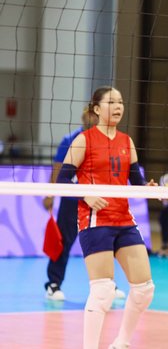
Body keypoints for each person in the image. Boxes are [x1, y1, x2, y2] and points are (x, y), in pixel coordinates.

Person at [57, 86, 156, 349]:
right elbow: (62, 180)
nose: (118, 106)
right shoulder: (83, 140)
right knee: (103, 291)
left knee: (144, 289)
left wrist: (148, 188)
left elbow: (136, 183)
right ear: (97, 109)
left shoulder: (127, 142)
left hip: (124, 220)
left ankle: (121, 342)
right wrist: (85, 194)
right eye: (111, 102)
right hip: (95, 221)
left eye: (120, 102)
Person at [43, 108, 125, 301]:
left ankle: (108, 284)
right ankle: (53, 284)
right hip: (73, 199)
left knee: (104, 241)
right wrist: (50, 194)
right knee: (64, 242)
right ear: (84, 116)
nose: (91, 118)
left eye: (95, 115)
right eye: (89, 114)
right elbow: (58, 168)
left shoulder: (106, 140)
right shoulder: (70, 139)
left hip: (98, 200)